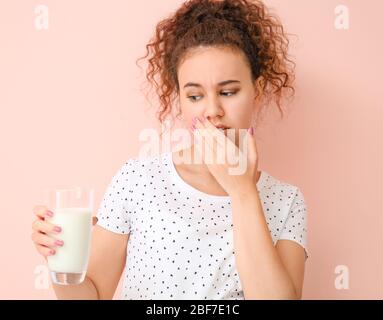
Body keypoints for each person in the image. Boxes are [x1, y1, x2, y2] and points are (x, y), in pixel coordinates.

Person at [31, 0, 308, 300]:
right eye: (194, 95)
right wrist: (60, 260)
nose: (212, 110)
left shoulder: (286, 201)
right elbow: (91, 296)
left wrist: (242, 192)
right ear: (180, 100)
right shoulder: (136, 180)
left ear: (258, 89)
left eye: (228, 92)